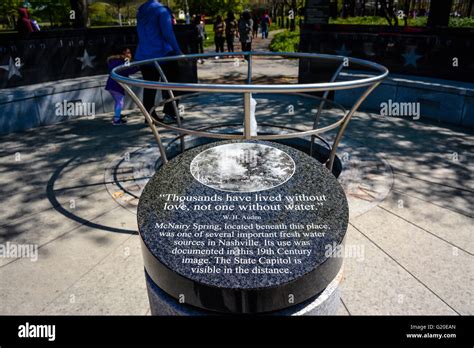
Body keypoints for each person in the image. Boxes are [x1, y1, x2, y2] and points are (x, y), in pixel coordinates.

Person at [135, 0, 183, 124]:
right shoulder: (162, 11)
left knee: (150, 87)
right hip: (163, 54)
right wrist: (178, 52)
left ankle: (149, 116)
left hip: (144, 54)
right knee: (171, 84)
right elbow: (168, 34)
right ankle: (170, 113)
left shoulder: (141, 11)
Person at [105, 48, 139, 125]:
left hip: (111, 84)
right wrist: (137, 67)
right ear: (124, 53)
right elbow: (128, 70)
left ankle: (117, 116)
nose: (130, 54)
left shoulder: (113, 60)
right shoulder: (125, 60)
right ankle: (117, 120)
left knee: (118, 101)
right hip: (117, 85)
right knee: (120, 102)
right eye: (128, 52)